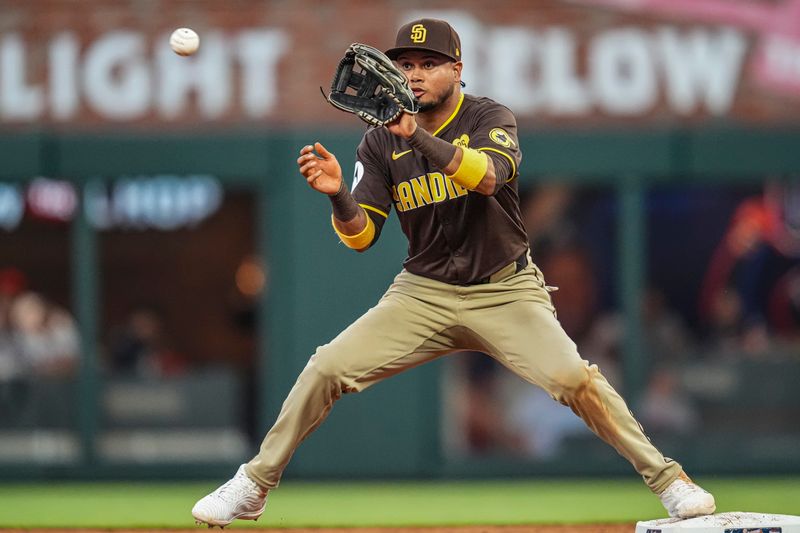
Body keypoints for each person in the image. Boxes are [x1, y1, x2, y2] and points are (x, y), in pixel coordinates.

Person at [192, 18, 716, 527]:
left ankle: (669, 482)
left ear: (457, 69)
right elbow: (360, 236)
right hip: (423, 293)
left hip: (504, 288)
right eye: (406, 64)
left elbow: (487, 177)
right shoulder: (378, 142)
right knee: (326, 367)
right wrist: (337, 196)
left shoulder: (490, 116)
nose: (415, 74)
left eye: (429, 63)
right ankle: (254, 485)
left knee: (574, 379)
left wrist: (416, 135)